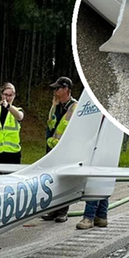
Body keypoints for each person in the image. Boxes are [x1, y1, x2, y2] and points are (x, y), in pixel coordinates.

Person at [43, 76, 78, 223]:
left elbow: (74, 130)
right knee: (52, 180)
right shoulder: (55, 105)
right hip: (51, 148)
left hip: (66, 150)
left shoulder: (75, 107)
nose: (55, 91)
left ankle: (63, 211)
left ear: (66, 90)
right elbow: (50, 126)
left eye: (58, 88)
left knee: (65, 180)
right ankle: (53, 210)